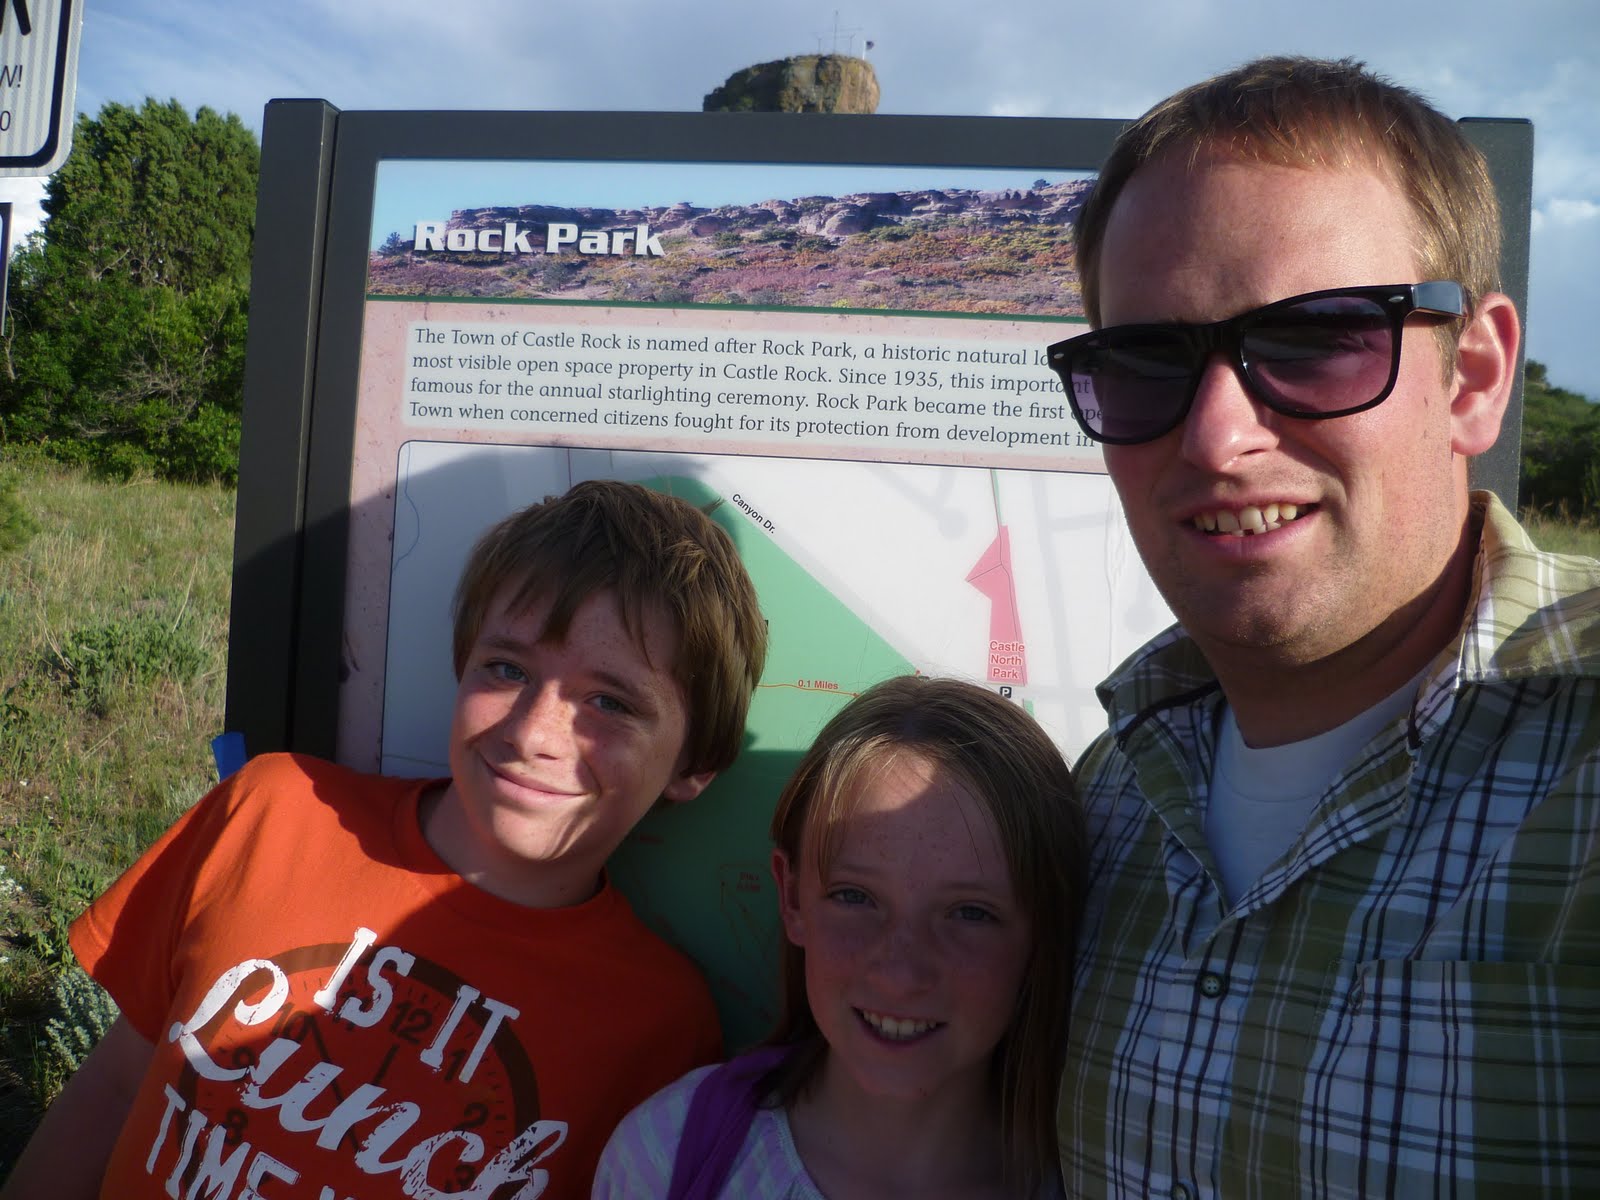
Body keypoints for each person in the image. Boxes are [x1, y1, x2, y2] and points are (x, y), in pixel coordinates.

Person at [1046, 55, 1600, 1198]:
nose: (1216, 438)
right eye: (1143, 363)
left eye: (1313, 340)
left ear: (1472, 376)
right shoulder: (1102, 801)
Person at [2, 480, 768, 1200]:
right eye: (507, 668)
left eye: (612, 703)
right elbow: (117, 1085)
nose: (533, 733)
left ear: (694, 765)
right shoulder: (274, 813)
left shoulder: (660, 1025)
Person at [592, 675, 1085, 1199]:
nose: (899, 974)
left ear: (1042, 931)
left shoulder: (1094, 1184)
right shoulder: (662, 1157)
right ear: (792, 897)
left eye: (970, 913)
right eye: (855, 897)